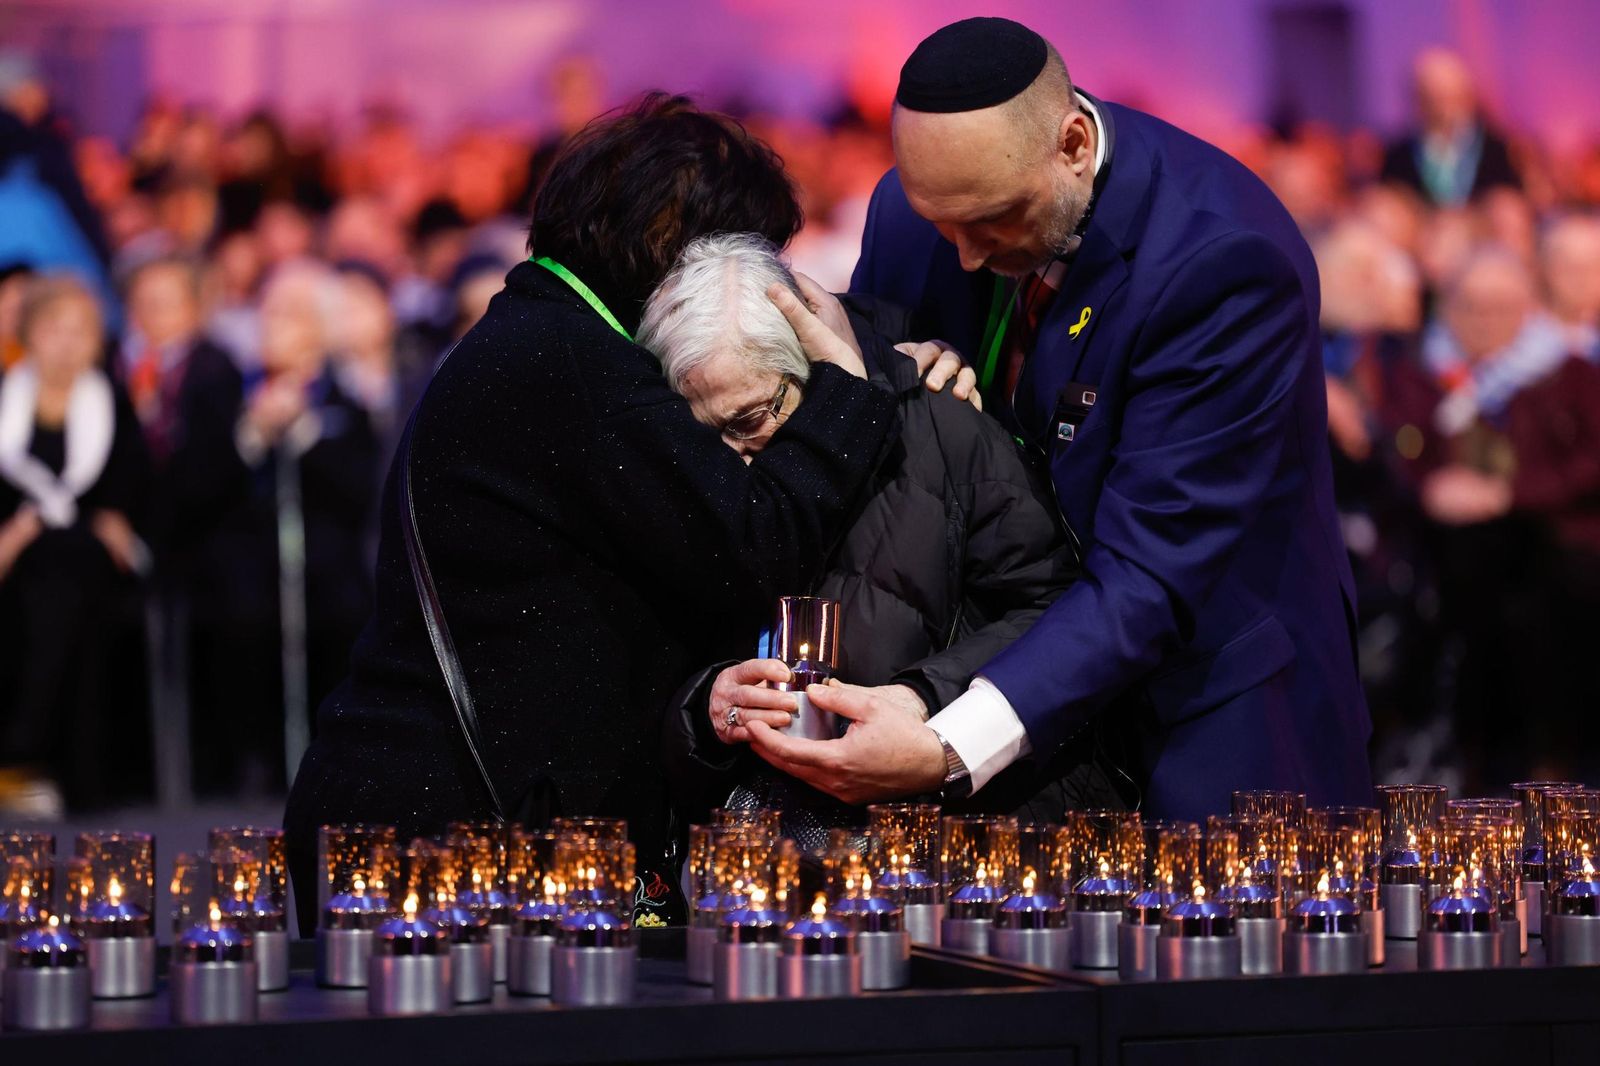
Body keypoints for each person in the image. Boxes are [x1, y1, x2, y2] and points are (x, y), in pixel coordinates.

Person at [282, 95, 904, 931]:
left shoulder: (533, 338)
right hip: (448, 840)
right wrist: (848, 392)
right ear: (672, 241)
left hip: (411, 810)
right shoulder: (574, 363)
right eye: (741, 252)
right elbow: (757, 547)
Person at [754, 17, 1372, 821]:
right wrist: (903, 376)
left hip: (1207, 707)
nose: (966, 256)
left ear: (1073, 144)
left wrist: (950, 743)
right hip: (995, 682)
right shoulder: (923, 212)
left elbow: (1153, 571)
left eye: (993, 221)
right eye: (944, 226)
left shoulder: (1220, 261)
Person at [642, 234, 1113, 844]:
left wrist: (924, 698)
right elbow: (648, 658)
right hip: (765, 864)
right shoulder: (681, 478)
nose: (736, 460)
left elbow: (1059, 610)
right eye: (708, 436)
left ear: (812, 366)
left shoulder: (943, 425)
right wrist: (707, 707)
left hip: (952, 850)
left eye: (752, 419)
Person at [1388, 247, 1600, 785]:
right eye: (1471, 306)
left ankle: (1546, 764)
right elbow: (1396, 453)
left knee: (1543, 598)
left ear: (1528, 309)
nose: (1485, 321)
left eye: (1501, 307)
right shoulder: (1423, 373)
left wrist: (1510, 494)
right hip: (1449, 552)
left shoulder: (1566, 372)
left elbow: (1589, 464)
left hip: (1552, 549)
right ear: (1448, 309)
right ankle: (1463, 755)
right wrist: (1432, 486)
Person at [193, 260, 380, 799]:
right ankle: (252, 754)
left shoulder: (344, 398)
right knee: (241, 610)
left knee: (344, 608)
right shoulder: (221, 389)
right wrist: (252, 431)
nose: (277, 324)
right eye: (271, 312)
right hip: (243, 549)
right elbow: (197, 487)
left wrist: (301, 431)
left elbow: (356, 489)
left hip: (322, 553)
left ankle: (329, 752)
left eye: (294, 315)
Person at [0, 274, 149, 813]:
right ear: (29, 333)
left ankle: (26, 747)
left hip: (85, 554)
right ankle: (35, 755)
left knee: (70, 568)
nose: (68, 341)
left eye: (81, 330)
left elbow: (130, 480)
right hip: (16, 555)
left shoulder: (109, 397)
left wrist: (116, 518)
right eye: (55, 328)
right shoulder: (7, 394)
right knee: (47, 579)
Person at [1379, 48, 1521, 209]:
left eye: (1450, 97)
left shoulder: (1496, 150)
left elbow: (1511, 201)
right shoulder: (1398, 157)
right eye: (1433, 99)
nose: (1443, 110)